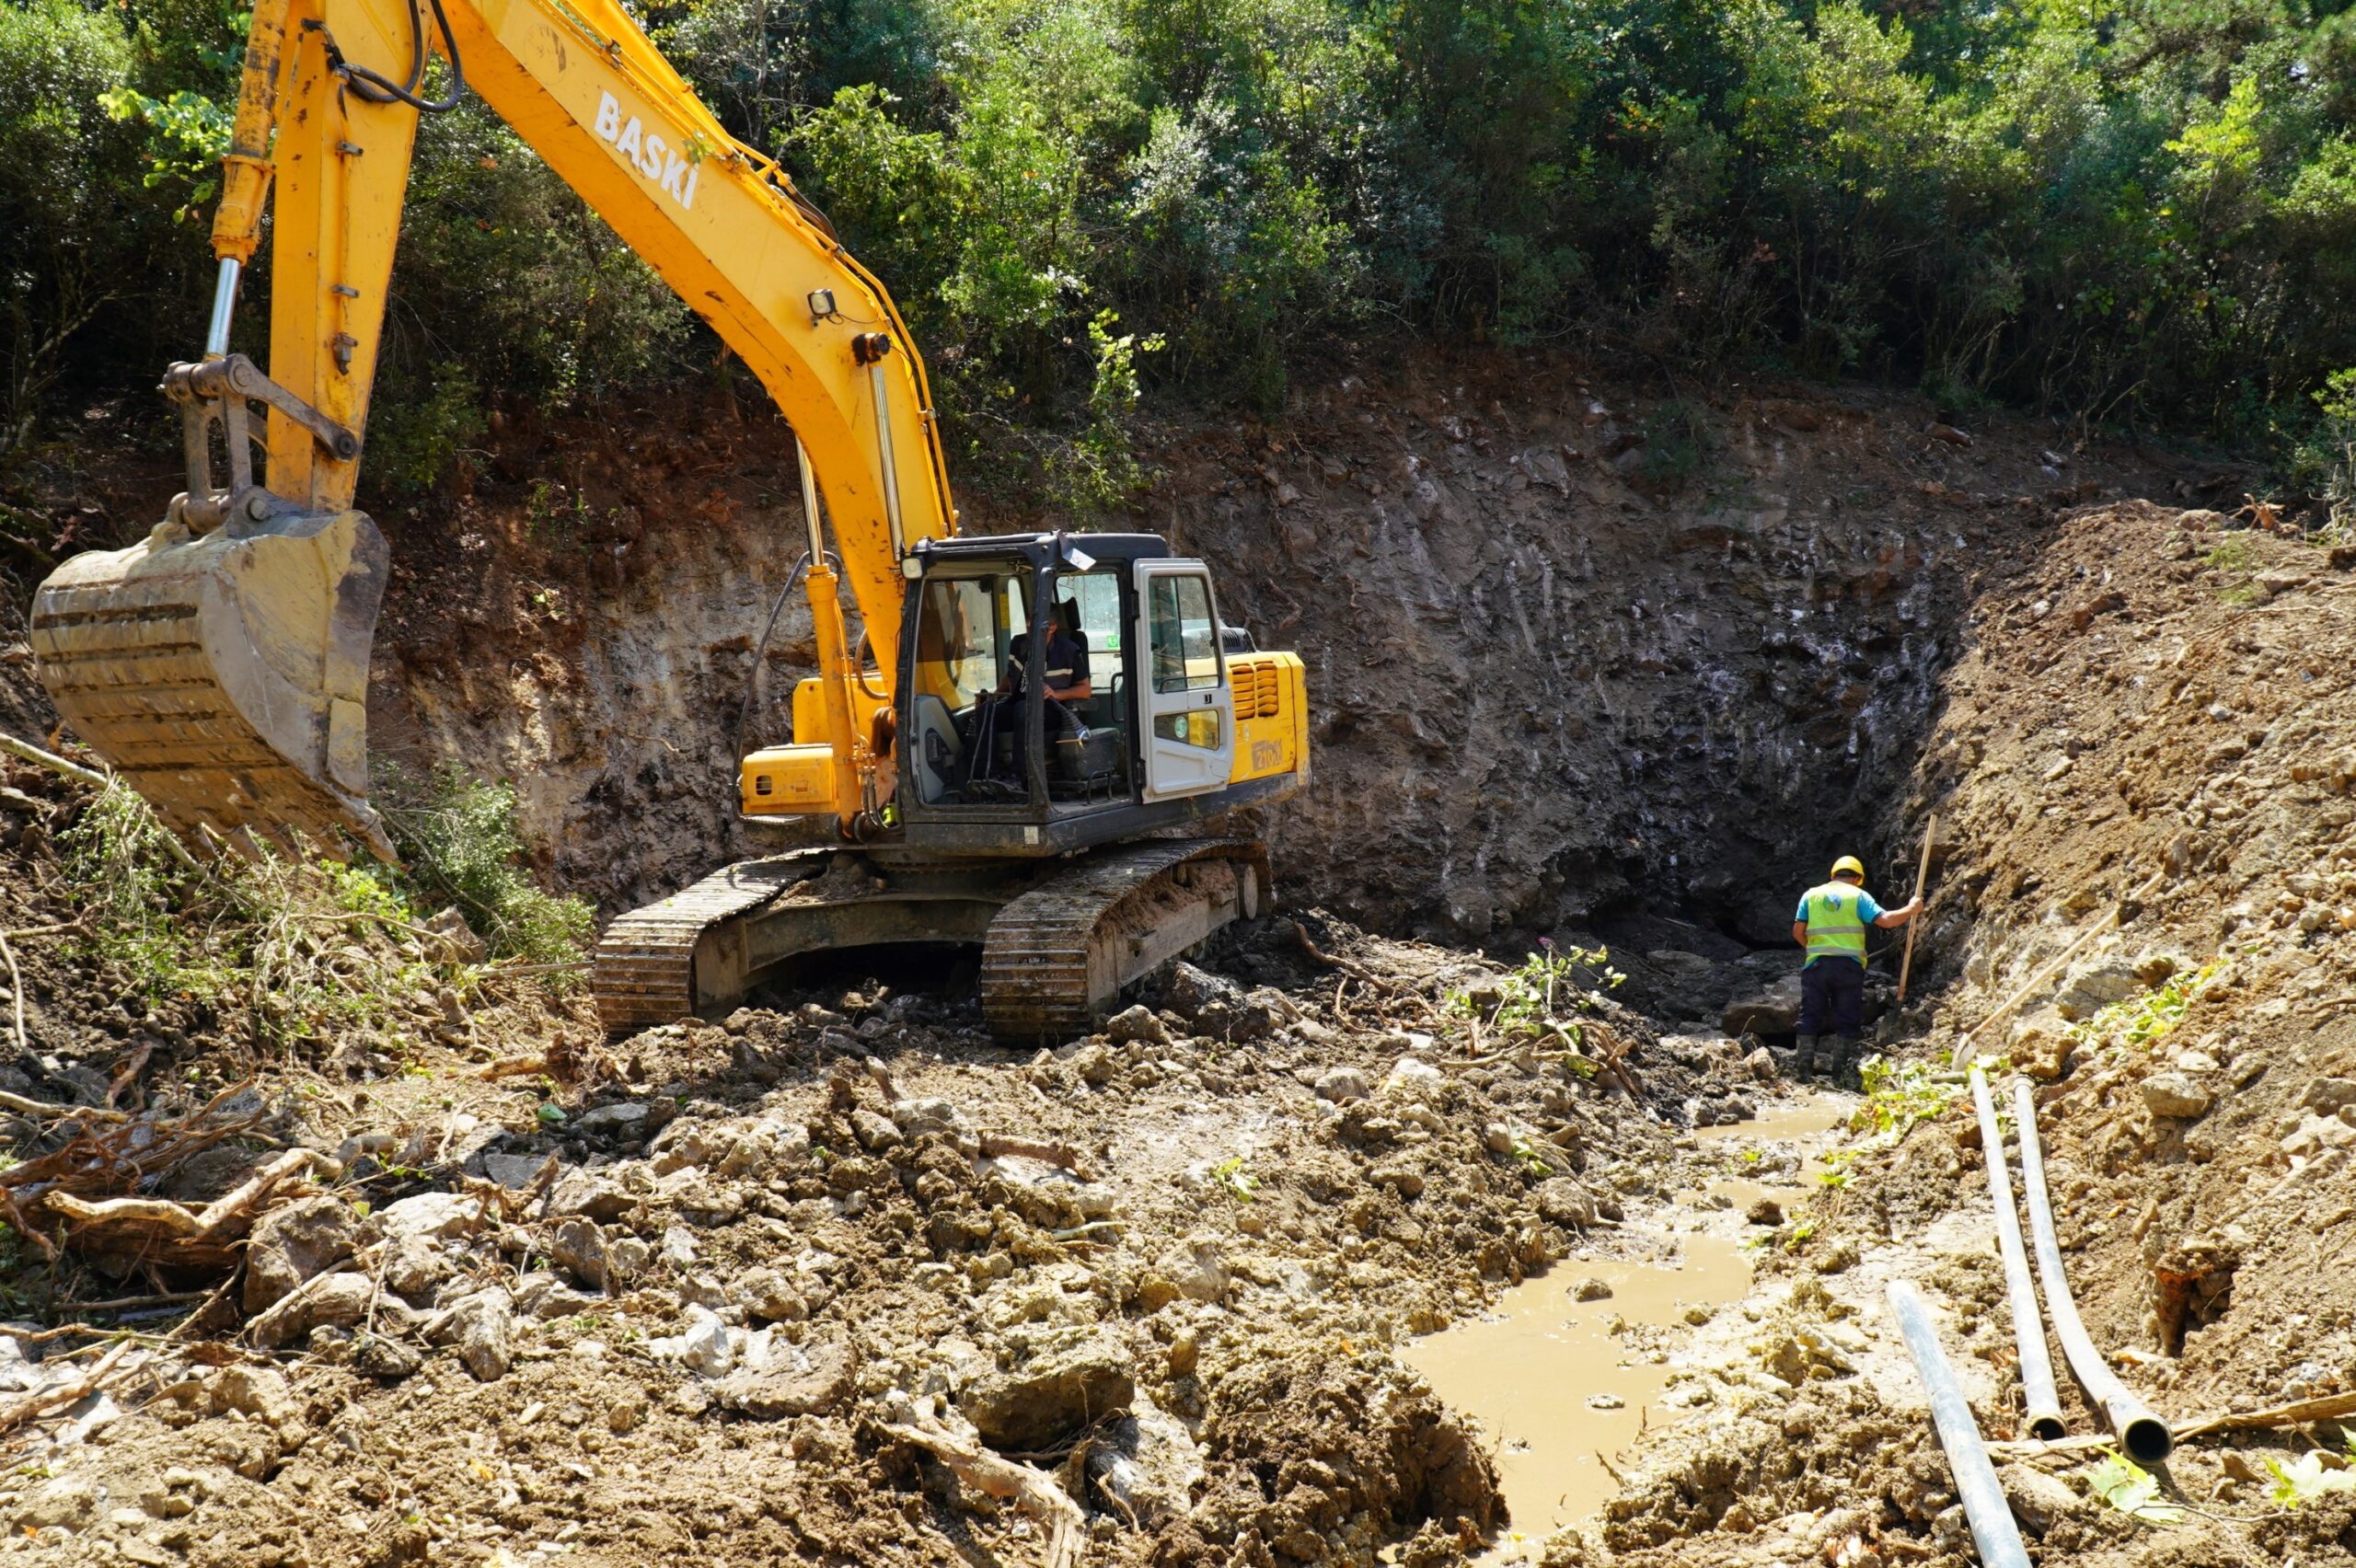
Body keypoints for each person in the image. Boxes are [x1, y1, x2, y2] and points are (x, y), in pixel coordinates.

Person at [1790, 855, 1920, 1081]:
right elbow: (1887, 920)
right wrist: (1911, 908)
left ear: (1833, 875)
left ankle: (1804, 1074)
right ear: (1858, 878)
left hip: (1817, 965)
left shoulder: (1810, 895)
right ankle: (1839, 1076)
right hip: (1849, 967)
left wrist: (1815, 949)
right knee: (1847, 1017)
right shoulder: (1859, 895)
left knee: (1810, 1015)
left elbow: (1797, 933)